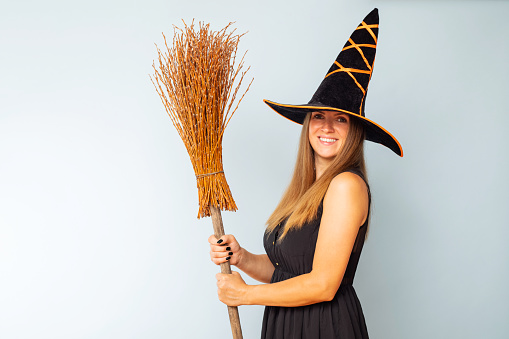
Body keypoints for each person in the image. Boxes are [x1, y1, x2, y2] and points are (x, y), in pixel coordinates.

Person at [208, 8, 403, 339]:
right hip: (289, 324)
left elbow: (324, 284)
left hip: (324, 327)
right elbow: (288, 274)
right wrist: (242, 259)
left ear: (354, 129)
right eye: (318, 116)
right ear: (307, 124)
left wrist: (245, 295)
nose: (327, 126)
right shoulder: (308, 188)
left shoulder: (346, 186)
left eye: (340, 119)